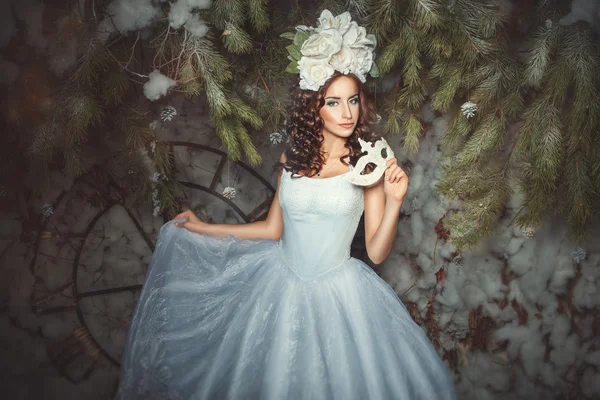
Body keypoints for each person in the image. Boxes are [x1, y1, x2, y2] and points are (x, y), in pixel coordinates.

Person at [116, 10, 457, 400]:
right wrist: (202, 227)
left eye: (352, 101)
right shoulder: (292, 157)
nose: (346, 113)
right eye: (333, 102)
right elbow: (272, 229)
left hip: (339, 296)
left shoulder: (369, 165)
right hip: (277, 283)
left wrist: (394, 201)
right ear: (315, 105)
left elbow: (377, 254)